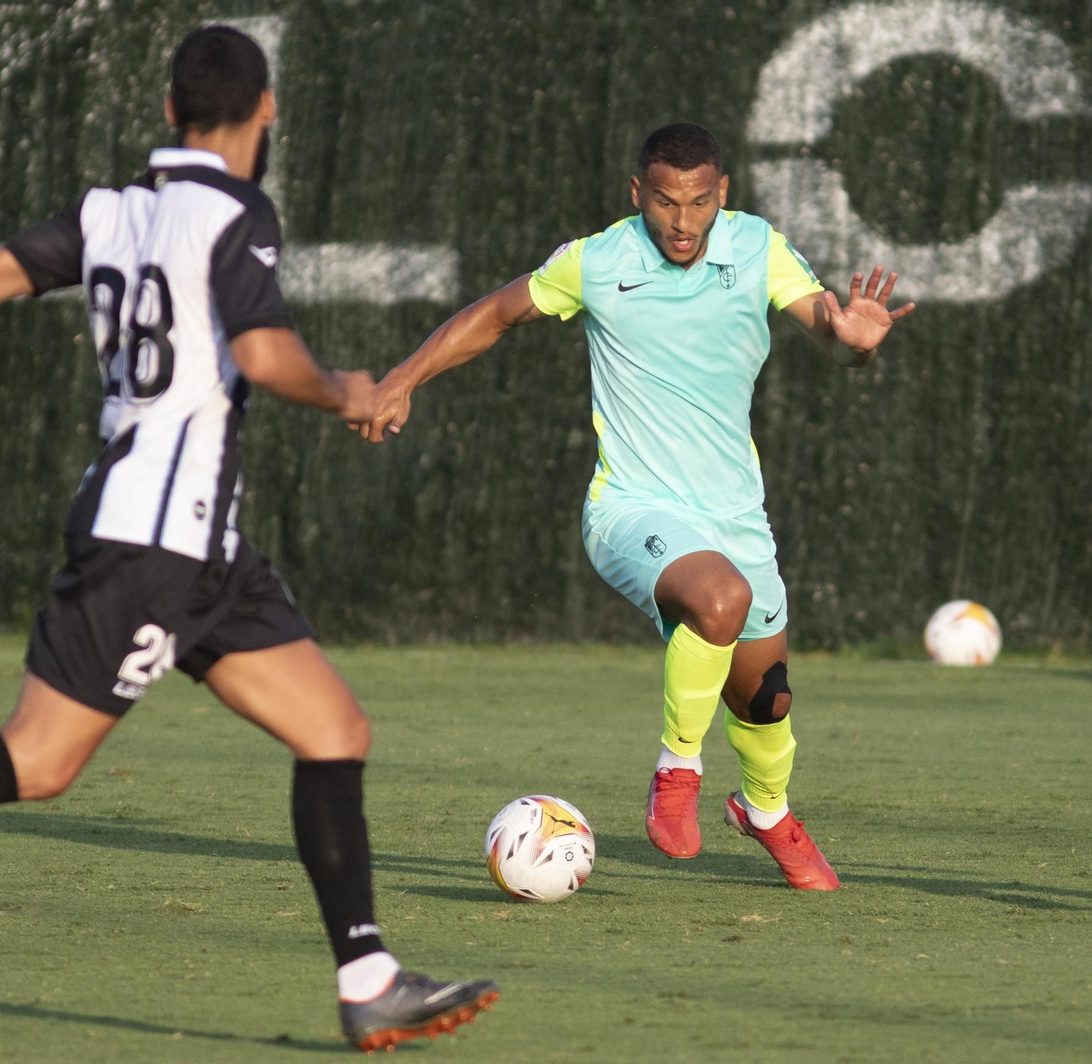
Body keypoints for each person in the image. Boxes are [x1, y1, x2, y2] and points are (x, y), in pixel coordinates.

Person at [0, 26, 496, 1052]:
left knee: (333, 730)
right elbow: (263, 356)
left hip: (202, 547)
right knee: (38, 761)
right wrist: (346, 387)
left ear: (171, 112)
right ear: (264, 113)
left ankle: (370, 979)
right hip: (150, 545)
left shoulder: (108, 212)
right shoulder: (233, 209)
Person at [361, 123, 914, 890]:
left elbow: (823, 317)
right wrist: (403, 378)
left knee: (766, 699)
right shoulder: (599, 260)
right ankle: (675, 774)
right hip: (631, 507)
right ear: (637, 194)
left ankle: (765, 812)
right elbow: (494, 314)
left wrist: (852, 336)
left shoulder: (757, 247)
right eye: (664, 201)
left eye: (698, 201)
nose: (682, 221)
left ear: (722, 194)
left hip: (733, 516)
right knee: (720, 598)